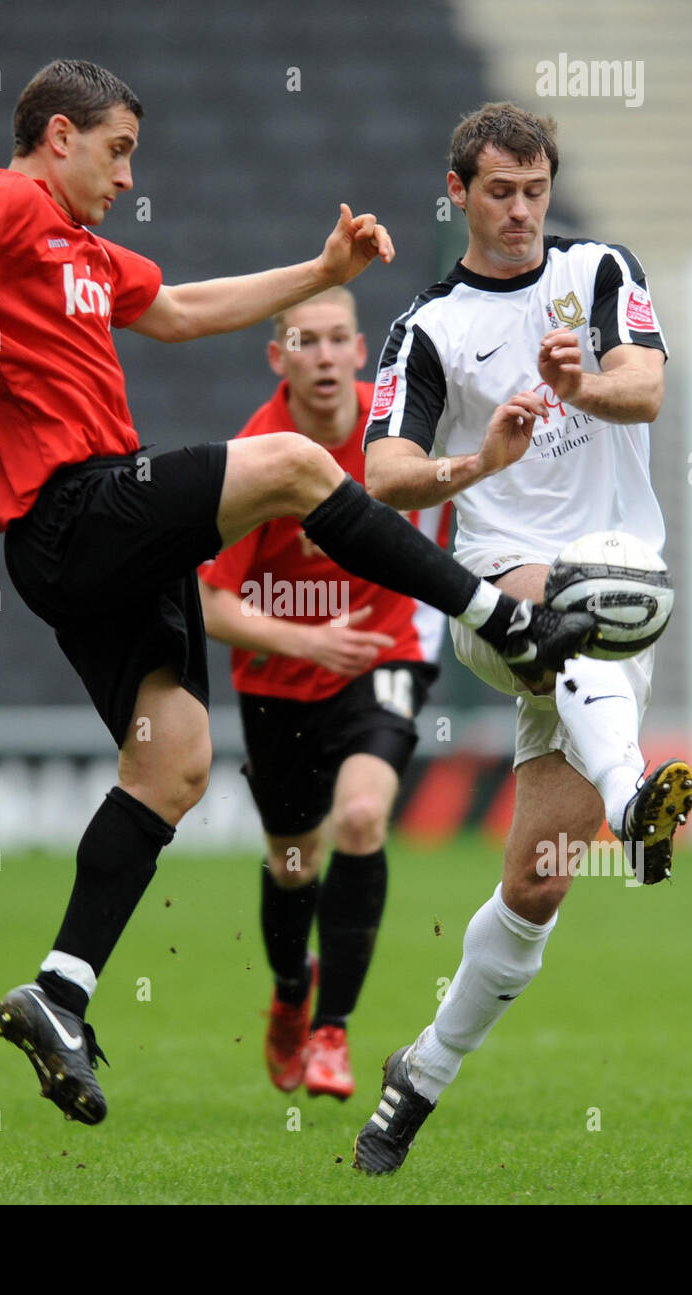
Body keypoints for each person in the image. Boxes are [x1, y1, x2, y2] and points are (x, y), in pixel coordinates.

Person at [0, 62, 594, 1129]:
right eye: (116, 151)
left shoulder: (77, 246)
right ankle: (503, 618)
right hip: (71, 508)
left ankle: (59, 990)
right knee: (298, 467)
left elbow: (171, 308)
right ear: (57, 134)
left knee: (174, 763)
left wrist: (318, 268)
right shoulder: (7, 202)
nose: (126, 175)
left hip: (96, 550)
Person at [351, 102, 692, 1173]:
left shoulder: (595, 272)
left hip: (618, 588)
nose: (520, 211)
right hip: (498, 591)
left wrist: (574, 385)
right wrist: (480, 464)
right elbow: (383, 473)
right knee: (565, 600)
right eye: (498, 191)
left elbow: (642, 384)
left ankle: (422, 1072)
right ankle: (639, 794)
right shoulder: (429, 327)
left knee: (540, 880)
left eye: (535, 189)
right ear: (456, 192)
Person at [199, 287, 450, 1100]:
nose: (324, 355)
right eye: (305, 340)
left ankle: (333, 1033)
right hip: (280, 679)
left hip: (384, 654)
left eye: (339, 338)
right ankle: (289, 989)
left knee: (362, 817)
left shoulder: (394, 426)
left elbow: (456, 479)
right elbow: (209, 603)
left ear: (358, 349)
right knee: (294, 863)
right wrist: (308, 638)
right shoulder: (258, 453)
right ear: (280, 357)